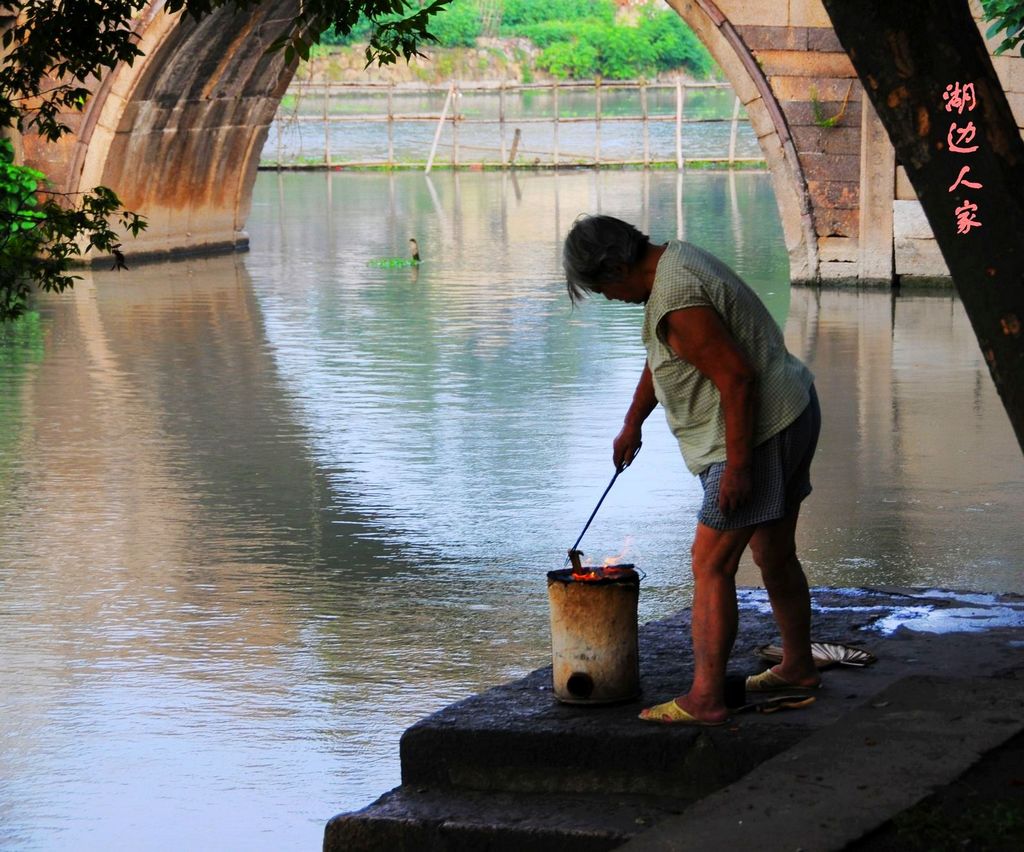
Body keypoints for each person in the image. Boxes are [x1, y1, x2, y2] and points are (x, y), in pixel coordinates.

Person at [562, 214, 822, 725]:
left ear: (616, 265)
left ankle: (705, 699)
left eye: (602, 289)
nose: (609, 300)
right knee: (772, 550)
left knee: (710, 564)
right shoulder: (672, 263)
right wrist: (632, 423)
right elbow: (664, 356)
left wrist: (740, 469)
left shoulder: (676, 296)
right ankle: (797, 667)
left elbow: (737, 379)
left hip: (757, 430)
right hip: (791, 408)